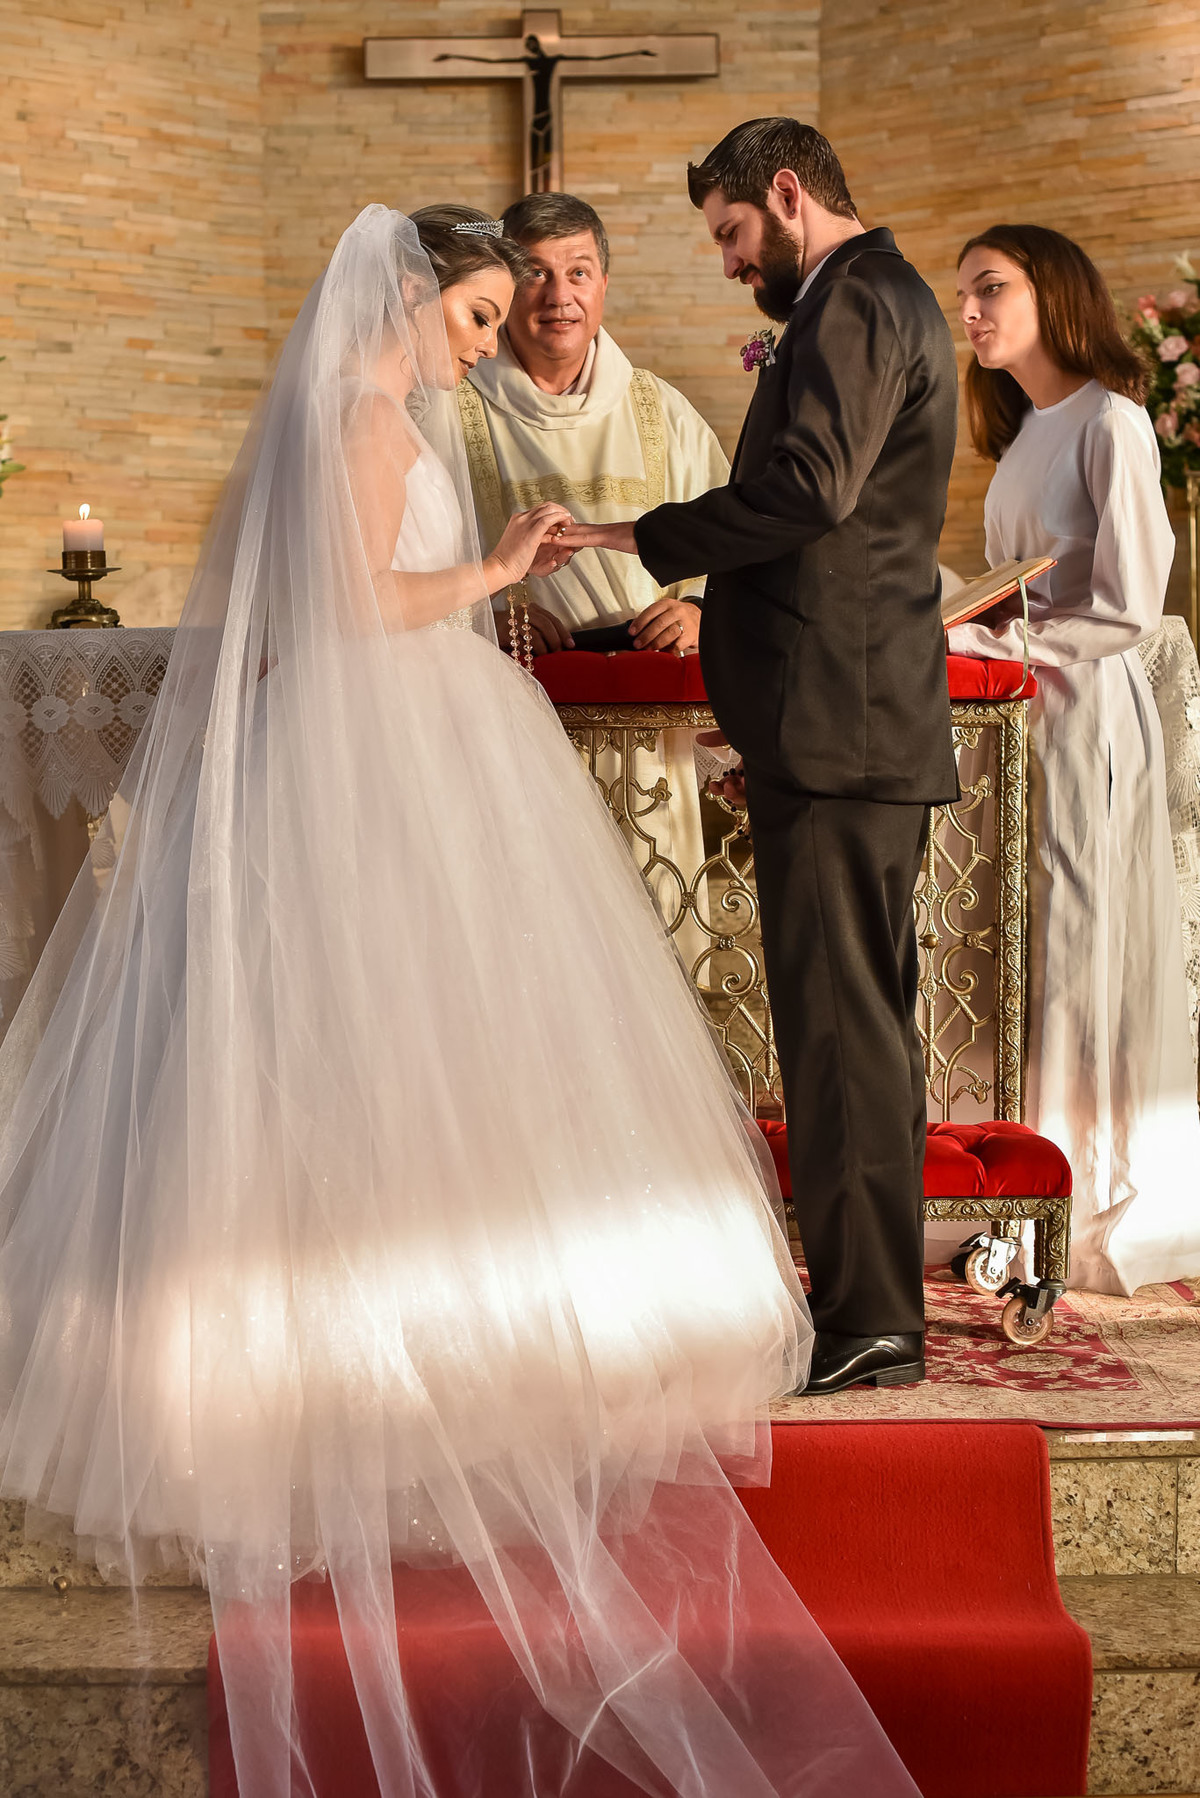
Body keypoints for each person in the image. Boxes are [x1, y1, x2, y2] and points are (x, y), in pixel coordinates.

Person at [0, 205, 920, 1796]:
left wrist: (490, 567)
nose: (486, 344)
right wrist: (492, 564)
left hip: (401, 742)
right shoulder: (363, 421)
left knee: (419, 1046)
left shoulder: (361, 415)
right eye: (478, 316)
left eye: (500, 318)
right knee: (393, 1042)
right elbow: (357, 605)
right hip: (387, 750)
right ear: (414, 299)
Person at [560, 119, 960, 1396]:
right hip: (851, 721)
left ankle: (870, 1322)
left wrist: (639, 529)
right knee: (861, 1027)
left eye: (733, 234)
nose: (733, 263)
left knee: (840, 1033)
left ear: (788, 196)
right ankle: (871, 1304)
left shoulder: (856, 299)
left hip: (839, 727)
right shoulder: (872, 295)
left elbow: (808, 490)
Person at [951, 223, 1200, 1296]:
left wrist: (999, 638)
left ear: (1051, 291)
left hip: (1090, 709)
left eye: (990, 288)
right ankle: (1024, 1179)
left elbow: (1134, 604)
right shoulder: (1022, 435)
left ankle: (1087, 1203)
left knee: (1083, 938)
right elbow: (1025, 579)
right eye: (962, 294)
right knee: (1032, 939)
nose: (971, 310)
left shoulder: (1113, 421)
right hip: (1028, 708)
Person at [459, 191, 730, 965]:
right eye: (535, 274)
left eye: (578, 271)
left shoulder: (662, 412)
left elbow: (735, 543)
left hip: (647, 726)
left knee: (655, 938)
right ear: (506, 288)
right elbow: (414, 559)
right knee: (533, 939)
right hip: (514, 710)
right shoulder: (455, 409)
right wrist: (496, 605)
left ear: (604, 283)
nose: (559, 295)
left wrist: (703, 612)